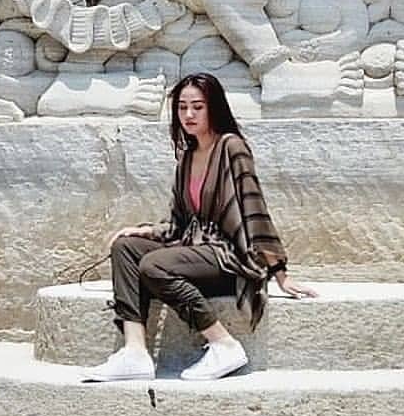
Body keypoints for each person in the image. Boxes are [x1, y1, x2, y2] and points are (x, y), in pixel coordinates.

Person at [84, 72, 316, 382]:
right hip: (194, 251)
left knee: (154, 265)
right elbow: (179, 225)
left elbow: (253, 209)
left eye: (197, 107)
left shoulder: (232, 147)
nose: (188, 115)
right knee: (125, 248)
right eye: (182, 108)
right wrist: (145, 232)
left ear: (214, 108)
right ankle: (135, 352)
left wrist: (280, 274)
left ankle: (223, 343)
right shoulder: (188, 158)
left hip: (227, 257)